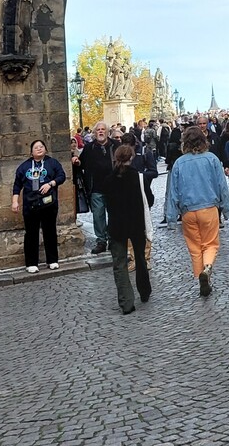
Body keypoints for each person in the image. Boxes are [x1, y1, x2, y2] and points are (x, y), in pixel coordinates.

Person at [165, 124, 229, 296]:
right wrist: (227, 209)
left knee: (195, 247)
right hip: (209, 208)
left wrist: (171, 217)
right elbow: (221, 186)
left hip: (188, 211)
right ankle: (207, 269)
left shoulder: (179, 163)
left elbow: (172, 192)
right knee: (210, 243)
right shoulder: (211, 159)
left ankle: (201, 278)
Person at [103, 143, 152, 314]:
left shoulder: (109, 180)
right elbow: (150, 200)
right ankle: (144, 291)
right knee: (140, 258)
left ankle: (126, 302)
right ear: (131, 158)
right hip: (136, 224)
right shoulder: (139, 178)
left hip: (117, 225)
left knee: (120, 264)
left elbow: (107, 204)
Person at [11, 139, 67, 274]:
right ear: (31, 152)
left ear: (45, 149)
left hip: (48, 203)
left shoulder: (52, 163)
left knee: (50, 231)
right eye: (36, 147)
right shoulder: (24, 167)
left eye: (41, 146)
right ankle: (31, 263)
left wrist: (51, 183)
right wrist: (15, 201)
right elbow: (17, 185)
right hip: (30, 205)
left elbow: (62, 176)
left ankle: (52, 260)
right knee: (31, 234)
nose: (39, 149)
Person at [80, 121, 115, 253]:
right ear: (94, 133)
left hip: (113, 188)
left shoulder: (115, 145)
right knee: (98, 215)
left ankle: (113, 239)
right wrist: (76, 161)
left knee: (113, 215)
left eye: (103, 129)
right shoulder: (89, 148)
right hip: (96, 187)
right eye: (98, 130)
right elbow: (82, 163)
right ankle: (101, 240)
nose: (100, 132)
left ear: (107, 132)